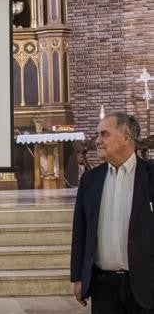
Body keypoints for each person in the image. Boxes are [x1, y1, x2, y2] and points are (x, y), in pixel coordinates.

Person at [70, 113, 154, 313]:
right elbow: (80, 232)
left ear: (126, 137)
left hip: (145, 284)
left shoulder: (150, 176)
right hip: (103, 286)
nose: (97, 141)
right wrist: (78, 277)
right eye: (97, 135)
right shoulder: (90, 180)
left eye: (104, 134)